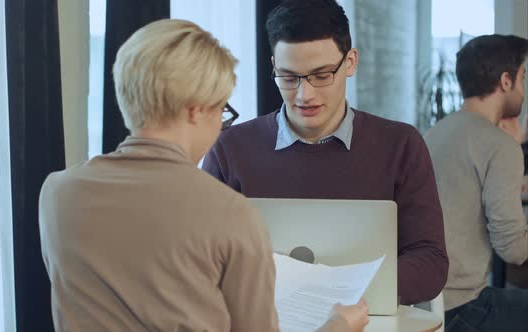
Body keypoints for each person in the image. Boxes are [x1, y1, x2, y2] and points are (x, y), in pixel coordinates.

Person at [39, 19, 369, 332]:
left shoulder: (57, 193)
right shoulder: (230, 214)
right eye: (222, 110)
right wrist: (339, 324)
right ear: (197, 110)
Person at [202, 0, 448, 305]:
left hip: (366, 320)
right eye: (290, 78)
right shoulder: (230, 149)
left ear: (350, 63)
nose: (306, 95)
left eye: (321, 75)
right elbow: (203, 258)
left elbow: (430, 261)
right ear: (274, 67)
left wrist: (339, 290)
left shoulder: (401, 145)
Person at [424, 34, 528, 331]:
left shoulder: (435, 132)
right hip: (463, 307)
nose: (523, 88)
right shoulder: (498, 145)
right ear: (506, 81)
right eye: (523, 77)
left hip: (428, 303)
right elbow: (513, 250)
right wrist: (511, 149)